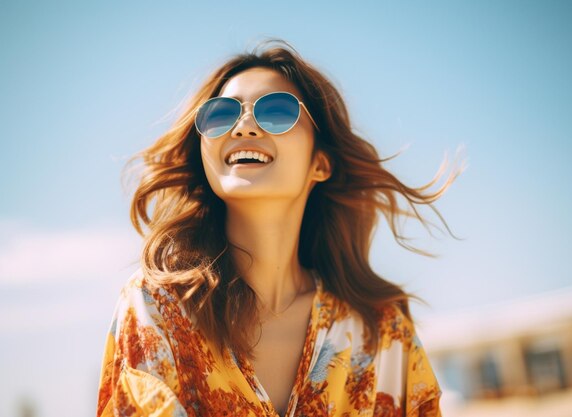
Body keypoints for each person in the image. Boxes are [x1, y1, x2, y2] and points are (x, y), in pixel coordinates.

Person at [96, 39, 461, 417]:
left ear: (320, 163)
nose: (244, 126)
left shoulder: (380, 332)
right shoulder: (156, 309)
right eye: (220, 114)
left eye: (276, 110)